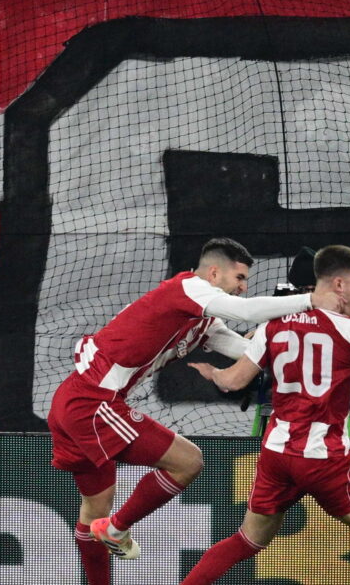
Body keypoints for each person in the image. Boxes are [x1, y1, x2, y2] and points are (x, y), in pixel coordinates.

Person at [47, 238, 321, 585]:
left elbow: (246, 349)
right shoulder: (188, 288)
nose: (243, 287)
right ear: (214, 272)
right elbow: (246, 311)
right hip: (93, 403)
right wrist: (313, 300)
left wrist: (289, 339)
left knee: (93, 513)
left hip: (73, 401)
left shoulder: (203, 320)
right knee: (188, 462)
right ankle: (118, 528)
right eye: (239, 278)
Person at [181, 244, 350, 585]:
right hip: (322, 455)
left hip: (277, 453)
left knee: (248, 540)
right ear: (339, 284)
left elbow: (234, 381)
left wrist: (214, 373)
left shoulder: (272, 326)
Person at [245, 247, 350, 438]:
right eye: (305, 292)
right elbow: (238, 388)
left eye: (315, 291)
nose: (312, 300)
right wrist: (246, 351)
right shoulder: (274, 332)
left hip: (339, 442)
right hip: (277, 441)